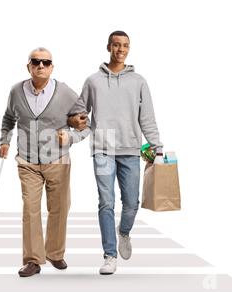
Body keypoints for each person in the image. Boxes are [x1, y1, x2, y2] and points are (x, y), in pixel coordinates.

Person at [68, 31, 163, 275]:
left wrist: (157, 148)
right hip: (103, 147)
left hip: (131, 148)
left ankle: (124, 232)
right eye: (117, 45)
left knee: (131, 203)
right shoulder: (93, 81)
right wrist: (75, 126)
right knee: (106, 202)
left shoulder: (139, 81)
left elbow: (147, 118)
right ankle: (110, 255)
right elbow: (79, 113)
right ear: (108, 46)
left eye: (125, 46)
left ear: (128, 49)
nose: (121, 49)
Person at [0, 47, 90, 277]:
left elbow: (85, 124)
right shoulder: (16, 92)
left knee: (59, 208)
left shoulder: (66, 93)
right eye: (36, 62)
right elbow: (9, 118)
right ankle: (33, 260)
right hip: (27, 161)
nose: (41, 66)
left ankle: (55, 253)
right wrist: (4, 141)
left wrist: (71, 136)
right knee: (30, 209)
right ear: (28, 66)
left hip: (57, 160)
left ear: (52, 67)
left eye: (46, 62)